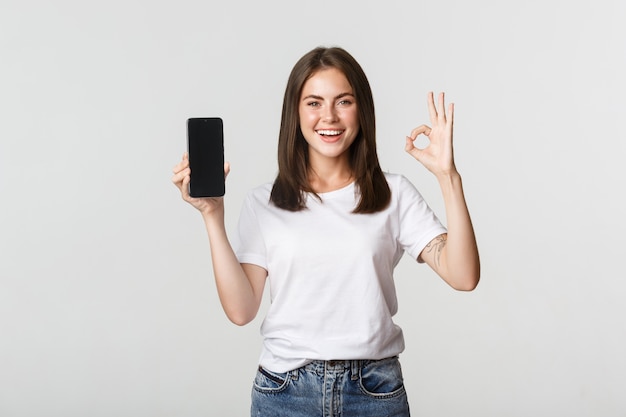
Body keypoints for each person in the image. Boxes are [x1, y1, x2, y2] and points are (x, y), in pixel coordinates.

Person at [172, 46, 480, 417]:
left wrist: (448, 177)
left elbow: (463, 276)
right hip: (285, 392)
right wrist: (212, 217)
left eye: (343, 101)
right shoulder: (264, 202)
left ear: (361, 109)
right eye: (314, 103)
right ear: (296, 113)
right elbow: (241, 310)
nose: (329, 116)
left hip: (374, 391)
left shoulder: (393, 194)